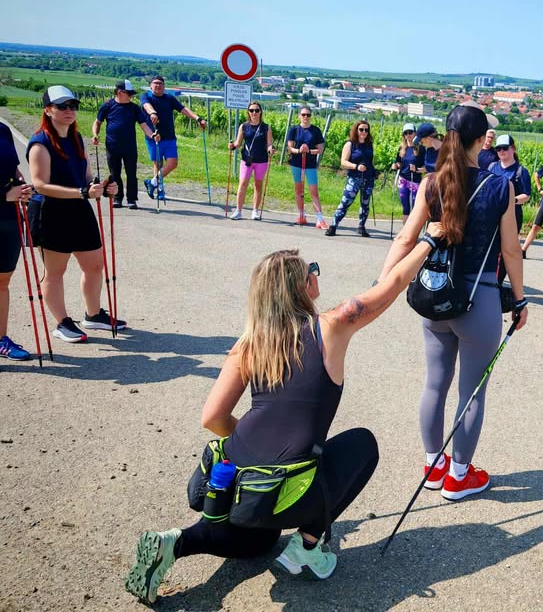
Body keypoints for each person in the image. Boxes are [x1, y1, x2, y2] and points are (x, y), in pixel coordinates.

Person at [124, 231, 445, 604]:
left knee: (259, 540)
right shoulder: (330, 326)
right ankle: (307, 547)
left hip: (238, 478)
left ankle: (174, 543)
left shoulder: (249, 343)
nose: (315, 273)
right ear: (302, 286)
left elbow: (212, 416)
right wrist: (430, 241)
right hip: (290, 486)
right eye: (311, 269)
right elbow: (392, 286)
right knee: (362, 445)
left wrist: (246, 434)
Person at [378, 101, 527, 502]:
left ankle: (433, 464)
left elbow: (406, 239)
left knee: (435, 383)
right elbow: (511, 251)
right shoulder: (500, 186)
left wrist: (384, 284)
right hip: (480, 301)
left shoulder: (431, 183)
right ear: (482, 141)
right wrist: (520, 298)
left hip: (436, 294)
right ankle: (459, 475)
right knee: (472, 391)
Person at [26, 86, 126, 343]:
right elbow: (40, 184)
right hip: (51, 212)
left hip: (79, 208)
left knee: (94, 265)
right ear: (48, 110)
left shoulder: (78, 140)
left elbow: (86, 177)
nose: (69, 111)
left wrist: (103, 187)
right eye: (62, 106)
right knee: (55, 271)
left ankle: (93, 315)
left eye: (73, 106)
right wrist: (82, 192)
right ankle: (61, 322)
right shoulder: (40, 143)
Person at [0, 121, 35, 361]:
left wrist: (22, 188)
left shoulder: (3, 130)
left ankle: (0, 339)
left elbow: (13, 170)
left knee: (2, 281)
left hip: (7, 216)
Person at [140, 76, 206, 200]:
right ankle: (160, 190)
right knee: (158, 164)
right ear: (151, 85)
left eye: (160, 83)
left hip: (169, 136)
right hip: (153, 137)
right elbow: (146, 106)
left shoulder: (169, 98)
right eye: (155, 83)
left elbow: (183, 109)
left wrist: (198, 118)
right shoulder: (146, 96)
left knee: (173, 163)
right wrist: (152, 113)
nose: (158, 86)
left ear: (164, 86)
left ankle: (152, 183)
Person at [92, 80, 152, 209]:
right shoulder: (107, 106)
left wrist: (152, 135)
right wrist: (95, 135)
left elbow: (144, 125)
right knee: (115, 173)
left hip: (129, 146)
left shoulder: (134, 108)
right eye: (129, 93)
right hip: (112, 146)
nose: (131, 96)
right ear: (119, 92)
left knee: (131, 173)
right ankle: (117, 198)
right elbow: (97, 122)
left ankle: (132, 199)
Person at [327, 120, 377, 237]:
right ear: (356, 130)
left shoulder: (369, 145)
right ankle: (333, 225)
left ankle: (361, 226)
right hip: (354, 178)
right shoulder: (350, 144)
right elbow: (343, 162)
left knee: (365, 204)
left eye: (366, 130)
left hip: (368, 178)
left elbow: (371, 161)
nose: (364, 132)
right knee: (345, 202)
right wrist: (356, 166)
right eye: (361, 129)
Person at [228, 103, 275, 220]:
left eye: (257, 110)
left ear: (260, 112)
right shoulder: (244, 126)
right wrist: (232, 146)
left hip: (261, 160)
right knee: (243, 183)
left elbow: (269, 144)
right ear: (248, 112)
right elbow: (238, 143)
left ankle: (255, 211)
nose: (254, 113)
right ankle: (238, 211)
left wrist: (271, 149)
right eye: (251, 110)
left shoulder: (266, 127)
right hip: (246, 159)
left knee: (258, 185)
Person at [285, 107, 328, 228]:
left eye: (308, 115)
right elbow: (290, 148)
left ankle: (320, 218)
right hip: (296, 163)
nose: (305, 117)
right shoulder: (294, 129)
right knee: (298, 190)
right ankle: (301, 215)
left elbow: (319, 149)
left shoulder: (315, 131)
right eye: (303, 114)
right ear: (299, 115)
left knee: (314, 191)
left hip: (310, 165)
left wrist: (309, 151)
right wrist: (299, 150)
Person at [486, 134, 531, 236]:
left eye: (505, 148)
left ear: (513, 149)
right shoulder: (491, 167)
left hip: (512, 215)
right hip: (492, 214)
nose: (501, 151)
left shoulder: (521, 171)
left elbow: (526, 195)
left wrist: (511, 200)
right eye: (498, 148)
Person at [391, 123, 424, 225]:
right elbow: (399, 162)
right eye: (406, 133)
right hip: (403, 180)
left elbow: (427, 167)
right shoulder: (402, 148)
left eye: (410, 132)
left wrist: (417, 169)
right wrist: (395, 165)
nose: (408, 135)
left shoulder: (421, 149)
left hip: (415, 181)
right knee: (405, 207)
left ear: (415, 134)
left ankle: (412, 232)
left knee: (414, 206)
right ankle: (405, 231)